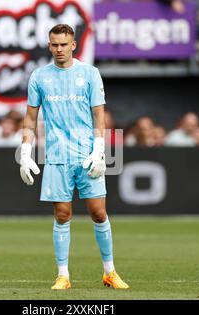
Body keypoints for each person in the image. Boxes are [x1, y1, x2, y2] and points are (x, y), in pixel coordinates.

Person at [19, 24, 129, 290]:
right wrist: (24, 152)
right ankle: (63, 276)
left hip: (87, 154)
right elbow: (31, 117)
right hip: (56, 155)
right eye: (54, 44)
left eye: (63, 44)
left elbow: (98, 115)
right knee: (62, 214)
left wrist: (100, 149)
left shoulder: (90, 74)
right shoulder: (39, 77)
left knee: (98, 212)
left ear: (73, 45)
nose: (59, 49)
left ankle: (109, 271)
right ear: (49, 45)